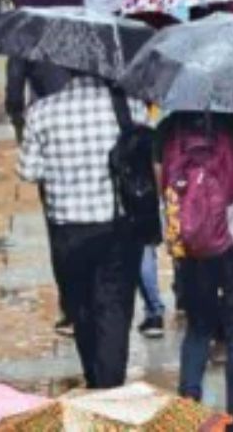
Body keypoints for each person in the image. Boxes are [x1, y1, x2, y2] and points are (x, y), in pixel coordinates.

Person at [17, 73, 148, 389]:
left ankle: (94, 377)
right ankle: (109, 385)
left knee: (81, 307)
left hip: (67, 230)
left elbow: (29, 171)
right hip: (116, 224)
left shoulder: (41, 111)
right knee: (114, 308)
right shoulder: (130, 106)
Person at [160, 110, 233, 432]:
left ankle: (188, 411)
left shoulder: (172, 127)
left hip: (194, 243)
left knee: (198, 329)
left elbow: (163, 185)